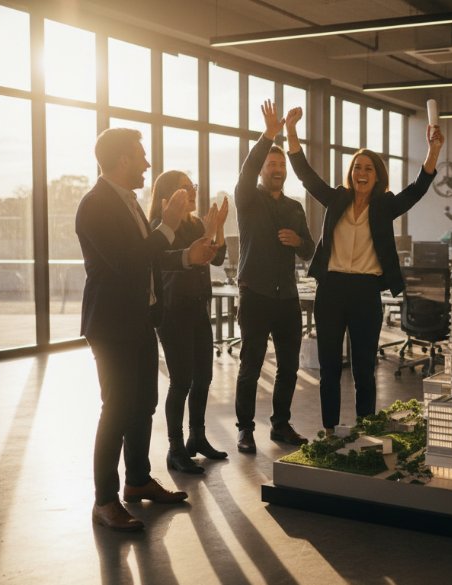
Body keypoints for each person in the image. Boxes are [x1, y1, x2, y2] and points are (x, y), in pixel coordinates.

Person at [76, 128, 216, 531]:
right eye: (140, 156)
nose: (147, 164)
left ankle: (136, 482)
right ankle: (104, 500)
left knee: (143, 406)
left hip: (140, 319)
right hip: (111, 324)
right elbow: (128, 260)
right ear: (121, 160)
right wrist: (169, 224)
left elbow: (149, 258)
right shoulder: (95, 205)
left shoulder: (129, 203)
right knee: (116, 410)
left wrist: (187, 256)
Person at [285, 106, 443, 434]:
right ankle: (329, 430)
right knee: (329, 368)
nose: (361, 172)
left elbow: (416, 189)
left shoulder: (385, 206)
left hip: (366, 292)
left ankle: (366, 430)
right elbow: (306, 176)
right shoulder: (336, 199)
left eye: (368, 167)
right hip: (331, 289)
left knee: (364, 369)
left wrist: (434, 150)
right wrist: (290, 131)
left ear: (377, 174)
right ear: (351, 172)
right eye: (357, 166)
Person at [232, 100, 316, 454]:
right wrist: (268, 135)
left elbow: (310, 250)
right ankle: (245, 429)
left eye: (282, 165)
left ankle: (280, 425)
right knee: (250, 366)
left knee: (288, 368)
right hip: (255, 295)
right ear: (263, 169)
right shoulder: (248, 198)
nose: (278, 168)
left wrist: (299, 242)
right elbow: (247, 169)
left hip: (286, 299)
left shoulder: (295, 207)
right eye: (272, 164)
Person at [146, 171, 230, 473]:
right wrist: (207, 237)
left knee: (203, 378)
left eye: (192, 186)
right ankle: (175, 448)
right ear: (168, 196)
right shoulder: (160, 228)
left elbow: (215, 259)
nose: (191, 191)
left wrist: (217, 229)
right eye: (184, 188)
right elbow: (172, 260)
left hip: (197, 308)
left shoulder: (195, 223)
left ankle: (197, 438)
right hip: (172, 312)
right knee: (181, 380)